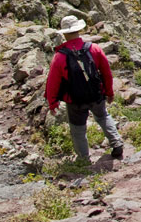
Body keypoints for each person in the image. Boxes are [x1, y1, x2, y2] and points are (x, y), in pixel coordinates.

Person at [45, 15, 125, 162]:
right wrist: (109, 92)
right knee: (103, 116)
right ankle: (116, 142)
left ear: (64, 33)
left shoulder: (59, 56)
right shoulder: (94, 49)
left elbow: (52, 82)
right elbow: (106, 72)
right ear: (79, 30)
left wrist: (52, 102)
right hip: (96, 94)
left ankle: (83, 158)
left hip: (74, 100)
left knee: (77, 128)